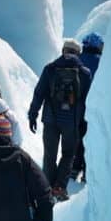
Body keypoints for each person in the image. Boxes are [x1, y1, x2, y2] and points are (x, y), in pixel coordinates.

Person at [27, 38, 92, 201]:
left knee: (50, 154)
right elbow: (87, 100)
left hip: (50, 120)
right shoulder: (84, 73)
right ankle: (59, 187)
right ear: (78, 53)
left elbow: (39, 93)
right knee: (68, 154)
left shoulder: (50, 69)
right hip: (72, 122)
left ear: (63, 50)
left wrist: (32, 114)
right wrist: (84, 122)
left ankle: (48, 187)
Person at [72, 32, 104, 181]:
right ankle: (87, 172)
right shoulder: (102, 62)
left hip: (75, 106)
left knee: (77, 138)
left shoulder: (76, 60)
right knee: (91, 139)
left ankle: (74, 167)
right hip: (94, 106)